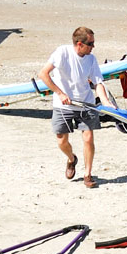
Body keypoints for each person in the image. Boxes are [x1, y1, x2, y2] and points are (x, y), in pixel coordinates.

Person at [42, 27, 102, 188]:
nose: (93, 47)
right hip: (64, 105)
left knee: (88, 138)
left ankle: (87, 175)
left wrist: (106, 101)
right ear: (80, 44)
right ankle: (71, 159)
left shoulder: (91, 59)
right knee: (62, 141)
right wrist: (60, 94)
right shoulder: (62, 53)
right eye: (91, 43)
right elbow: (43, 74)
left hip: (86, 103)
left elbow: (98, 83)